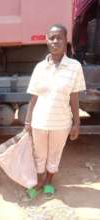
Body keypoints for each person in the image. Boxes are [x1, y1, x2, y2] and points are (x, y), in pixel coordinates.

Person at [25, 24, 86, 199]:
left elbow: (74, 97)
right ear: (46, 40)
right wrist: (28, 121)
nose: (55, 41)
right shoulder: (39, 67)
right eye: (51, 37)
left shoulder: (74, 67)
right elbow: (34, 97)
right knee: (39, 154)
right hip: (39, 122)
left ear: (66, 40)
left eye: (59, 37)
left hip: (61, 122)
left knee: (54, 154)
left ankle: (49, 182)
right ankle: (39, 181)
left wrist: (77, 123)